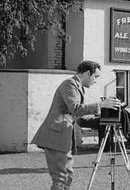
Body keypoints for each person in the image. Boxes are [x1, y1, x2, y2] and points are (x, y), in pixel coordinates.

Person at [31, 61, 121, 190]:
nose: (95, 81)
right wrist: (100, 105)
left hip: (63, 136)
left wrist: (100, 115)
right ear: (87, 73)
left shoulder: (77, 86)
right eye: (95, 77)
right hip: (56, 135)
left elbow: (74, 113)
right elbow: (75, 109)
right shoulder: (69, 84)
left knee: (67, 177)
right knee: (60, 179)